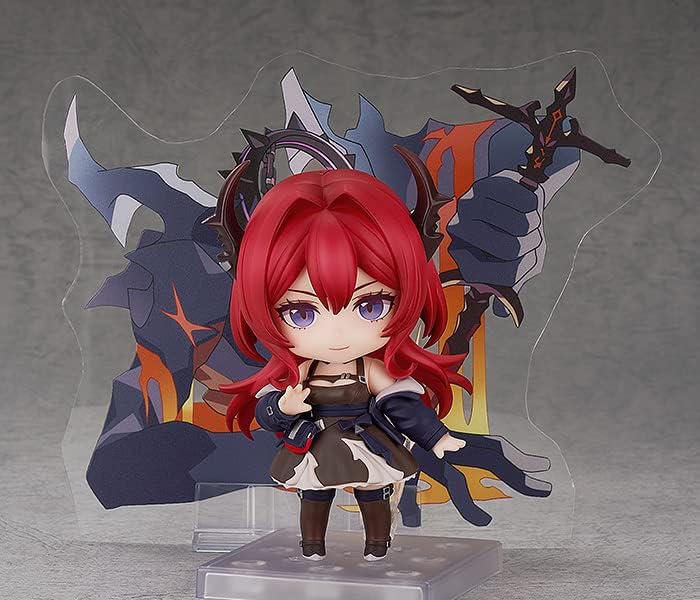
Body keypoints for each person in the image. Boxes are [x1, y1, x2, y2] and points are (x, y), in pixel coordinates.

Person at [220, 164, 473, 561]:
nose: (337, 334)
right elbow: (267, 412)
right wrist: (283, 407)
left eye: (371, 306)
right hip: (315, 442)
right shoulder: (300, 372)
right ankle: (312, 546)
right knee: (314, 494)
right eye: (301, 312)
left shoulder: (370, 371)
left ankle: (377, 545)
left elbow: (401, 405)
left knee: (373, 492)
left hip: (365, 439)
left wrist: (435, 435)